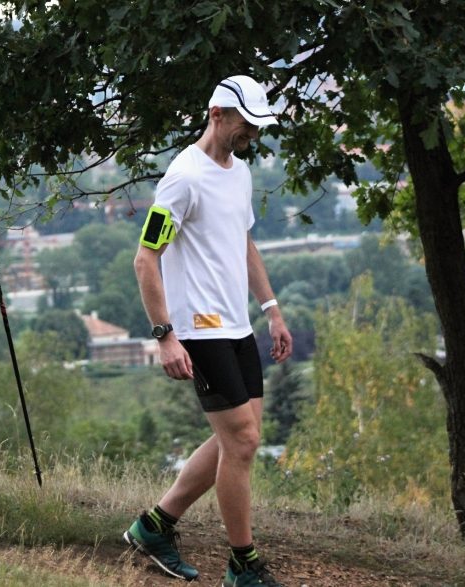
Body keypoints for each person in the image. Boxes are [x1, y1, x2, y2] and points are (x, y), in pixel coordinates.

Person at [124, 75, 293, 587]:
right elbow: (145, 259)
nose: (253, 134)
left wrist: (272, 308)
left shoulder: (238, 172)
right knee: (241, 441)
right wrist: (164, 335)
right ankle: (243, 565)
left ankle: (155, 526)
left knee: (237, 440)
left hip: (237, 324)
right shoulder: (183, 177)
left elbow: (242, 243)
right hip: (198, 328)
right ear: (218, 113)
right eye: (247, 123)